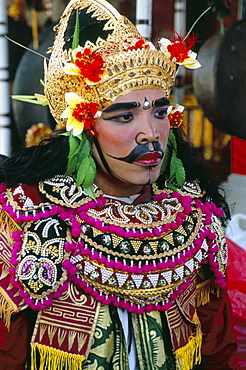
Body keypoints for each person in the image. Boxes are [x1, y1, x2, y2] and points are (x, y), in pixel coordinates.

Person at [0, 0, 238, 369]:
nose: (150, 134)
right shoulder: (25, 216)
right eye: (124, 116)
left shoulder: (193, 220)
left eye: (160, 112)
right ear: (84, 126)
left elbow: (216, 351)